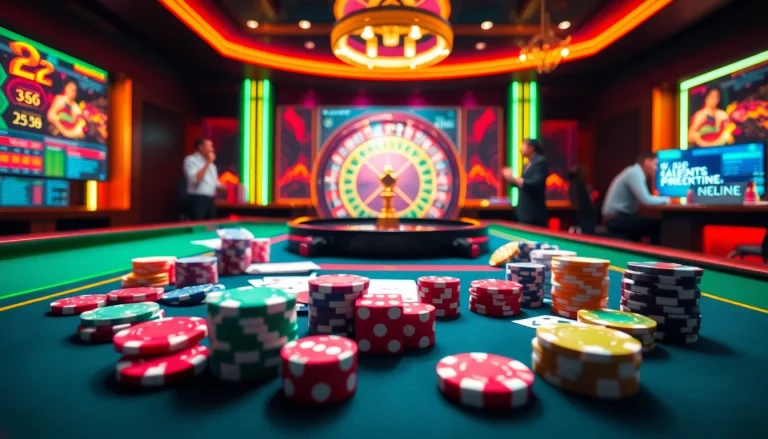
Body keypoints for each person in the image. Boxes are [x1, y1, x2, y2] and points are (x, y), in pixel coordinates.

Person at [601, 153, 670, 244]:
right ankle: (658, 256)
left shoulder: (634, 171)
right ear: (647, 162)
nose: (656, 168)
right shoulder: (635, 173)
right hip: (615, 219)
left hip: (618, 217)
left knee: (652, 224)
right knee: (658, 226)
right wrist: (667, 200)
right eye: (655, 164)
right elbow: (646, 200)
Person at [501, 138, 549, 227]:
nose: (520, 148)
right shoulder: (526, 165)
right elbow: (522, 185)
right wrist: (510, 179)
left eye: (523, 145)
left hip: (534, 214)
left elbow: (536, 184)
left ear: (531, 148)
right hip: (523, 213)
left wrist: (513, 179)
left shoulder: (540, 162)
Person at [183, 138, 225, 220]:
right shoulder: (190, 160)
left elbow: (215, 184)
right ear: (200, 147)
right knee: (198, 227)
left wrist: (223, 187)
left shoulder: (212, 166)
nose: (212, 149)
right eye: (209, 146)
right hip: (197, 199)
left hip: (210, 200)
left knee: (211, 227)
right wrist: (208, 162)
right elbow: (195, 180)